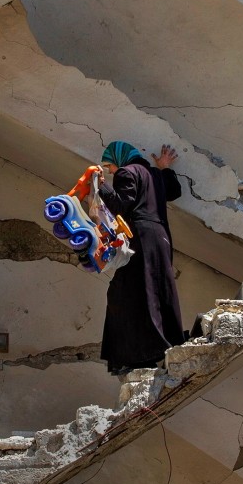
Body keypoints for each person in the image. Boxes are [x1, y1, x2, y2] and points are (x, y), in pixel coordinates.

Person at [98, 140, 184, 375]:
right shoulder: (153, 174)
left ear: (118, 159)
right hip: (161, 239)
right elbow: (174, 191)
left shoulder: (127, 172)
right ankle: (166, 344)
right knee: (157, 288)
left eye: (110, 166)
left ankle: (140, 355)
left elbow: (122, 207)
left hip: (140, 238)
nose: (110, 171)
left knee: (127, 292)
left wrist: (100, 187)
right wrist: (164, 166)